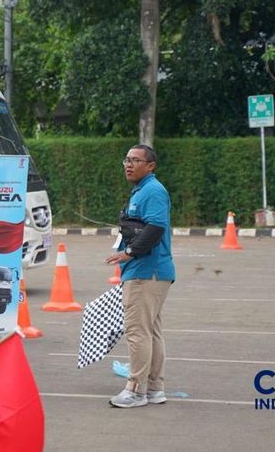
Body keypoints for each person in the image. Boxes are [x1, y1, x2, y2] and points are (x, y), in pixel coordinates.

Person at [104, 144, 175, 408]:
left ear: (151, 166)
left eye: (135, 160)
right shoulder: (142, 190)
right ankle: (155, 388)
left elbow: (156, 227)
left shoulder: (153, 191)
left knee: (137, 332)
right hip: (149, 271)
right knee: (151, 332)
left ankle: (135, 390)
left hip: (146, 272)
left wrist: (129, 253)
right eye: (126, 159)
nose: (128, 164)